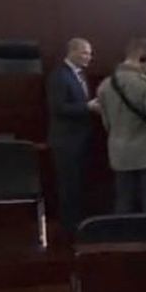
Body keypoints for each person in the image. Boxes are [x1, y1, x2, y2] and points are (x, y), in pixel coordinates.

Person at [95, 38, 146, 214]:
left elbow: (106, 123)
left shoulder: (105, 85)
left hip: (119, 153)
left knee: (123, 202)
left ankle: (124, 232)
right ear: (144, 58)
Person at [46, 37, 98, 236]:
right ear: (72, 52)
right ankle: (69, 228)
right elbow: (58, 107)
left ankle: (80, 224)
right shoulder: (59, 76)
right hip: (65, 142)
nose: (89, 57)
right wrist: (87, 107)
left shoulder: (80, 75)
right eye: (85, 53)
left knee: (79, 185)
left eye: (90, 53)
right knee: (68, 186)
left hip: (81, 140)